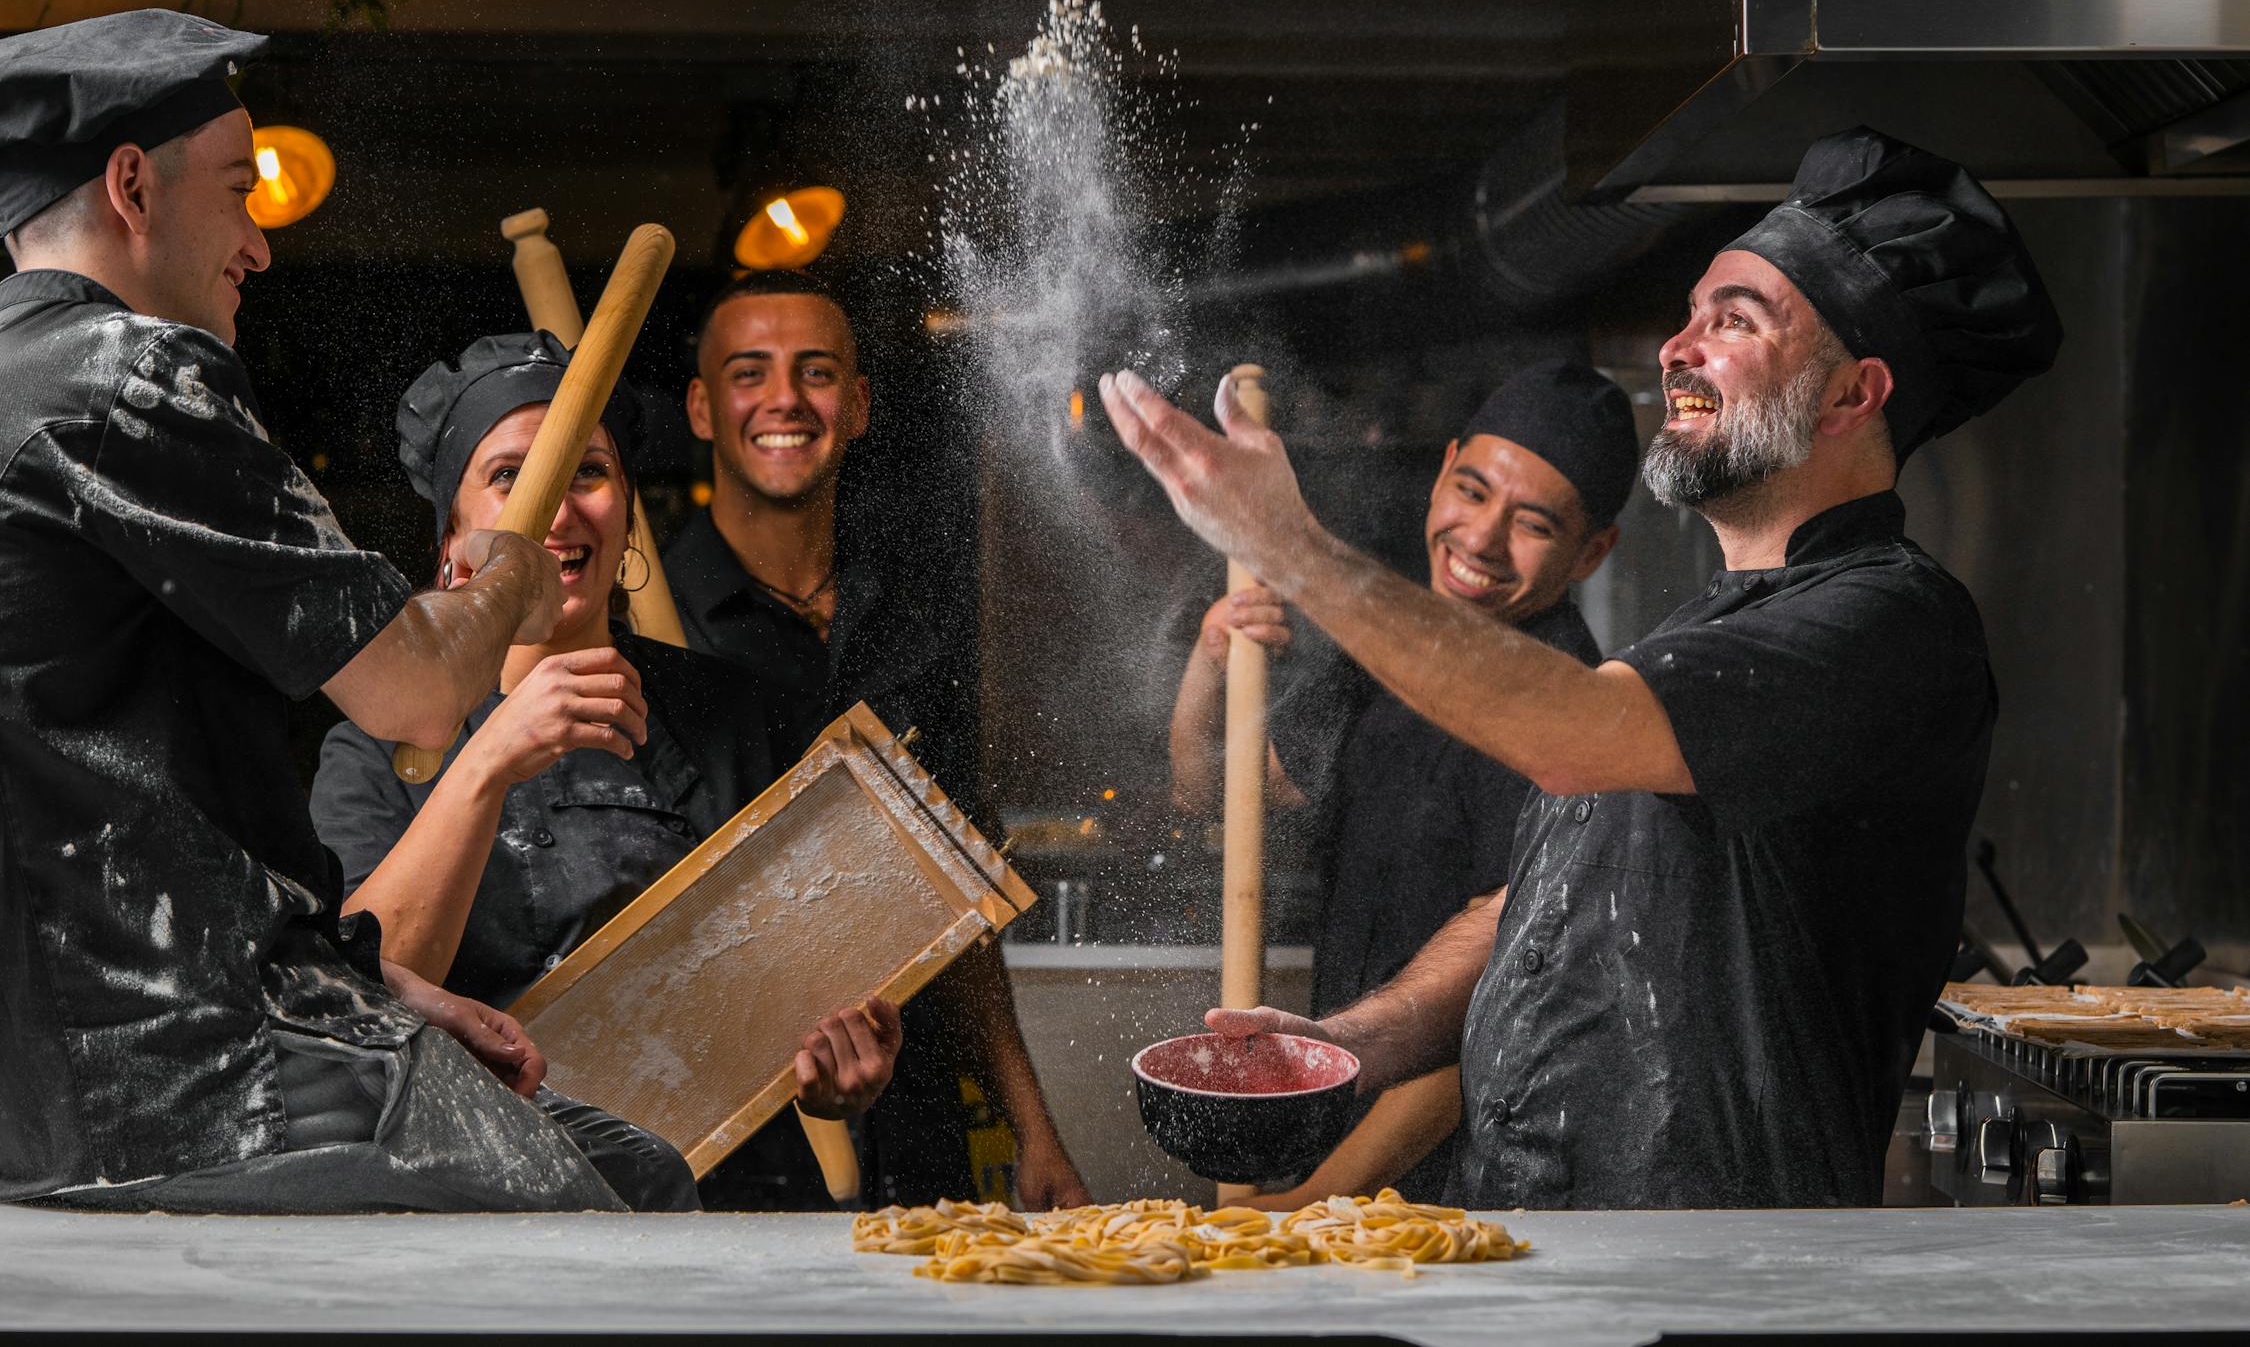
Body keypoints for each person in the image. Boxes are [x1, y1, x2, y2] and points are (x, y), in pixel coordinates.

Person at [1100, 127, 2062, 1209]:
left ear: (1852, 397)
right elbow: (1538, 905)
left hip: (1714, 1269)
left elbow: (1564, 738)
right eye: (1691, 312)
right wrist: (1348, 1044)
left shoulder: (1886, 623)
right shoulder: (1698, 633)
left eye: (1735, 320)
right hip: (1560, 1242)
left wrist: (1295, 552)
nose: (1678, 347)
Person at [0, 9, 662, 1212]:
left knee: (637, 1165)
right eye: (240, 190)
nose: (258, 244)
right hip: (190, 1069)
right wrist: (507, 567)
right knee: (608, 1225)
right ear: (133, 186)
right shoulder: (128, 376)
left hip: (53, 1077)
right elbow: (418, 686)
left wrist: (366, 979)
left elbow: (114, 806)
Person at [309, 332, 903, 1209]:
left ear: (627, 514)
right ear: (455, 537)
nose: (555, 511)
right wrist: (492, 760)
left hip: (743, 1210)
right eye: (512, 476)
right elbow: (361, 1006)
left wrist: (834, 1068)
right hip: (506, 1212)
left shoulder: (748, 720)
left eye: (585, 473)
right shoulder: (380, 747)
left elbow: (812, 976)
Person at [664, 271, 1091, 1209]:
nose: (785, 399)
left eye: (815, 373)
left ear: (856, 407)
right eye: (750, 373)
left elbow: (952, 884)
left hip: (921, 1122)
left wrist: (1035, 1127)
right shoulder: (654, 627)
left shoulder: (915, 614)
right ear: (702, 408)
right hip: (735, 1143)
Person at [1167, 360, 1635, 1203]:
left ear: (1593, 551)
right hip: (1342, 1165)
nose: (1482, 540)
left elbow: (1488, 1014)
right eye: (1472, 490)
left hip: (1467, 1190)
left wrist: (1318, 1201)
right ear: (1442, 470)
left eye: (1531, 523)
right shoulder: (1381, 660)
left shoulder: (1566, 719)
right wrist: (1212, 660)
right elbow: (1213, 792)